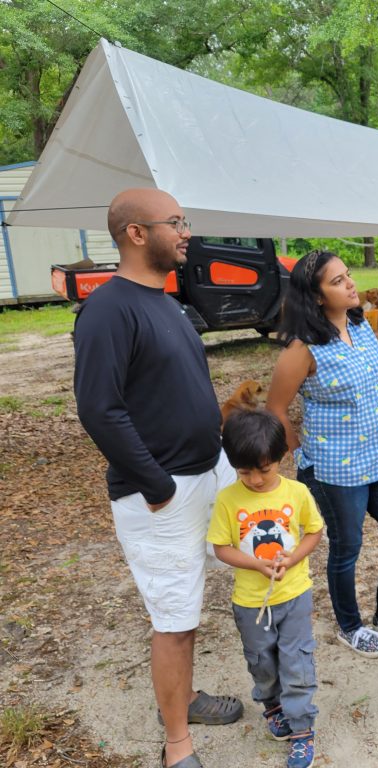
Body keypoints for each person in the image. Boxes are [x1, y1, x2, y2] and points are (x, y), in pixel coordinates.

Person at [73, 188, 243, 768]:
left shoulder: (164, 300)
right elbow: (100, 409)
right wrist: (158, 485)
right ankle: (177, 748)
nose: (186, 231)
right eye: (175, 222)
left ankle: (188, 698)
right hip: (160, 494)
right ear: (136, 234)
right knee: (173, 618)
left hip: (204, 472)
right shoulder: (107, 310)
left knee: (195, 605)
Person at [266, 250, 378, 660]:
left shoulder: (360, 326)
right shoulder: (302, 349)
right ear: (317, 296)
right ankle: (350, 625)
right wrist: (301, 455)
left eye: (348, 275)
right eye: (338, 281)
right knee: (347, 547)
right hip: (334, 469)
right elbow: (275, 408)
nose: (350, 284)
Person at [208, 409, 323, 768]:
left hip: (294, 596)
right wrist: (257, 564)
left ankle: (302, 731)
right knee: (262, 662)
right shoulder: (229, 500)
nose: (255, 480)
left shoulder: (297, 492)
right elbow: (221, 547)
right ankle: (273, 705)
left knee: (297, 661)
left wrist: (292, 558)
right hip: (250, 602)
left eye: (264, 469)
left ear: (280, 458)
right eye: (245, 472)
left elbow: (314, 531)